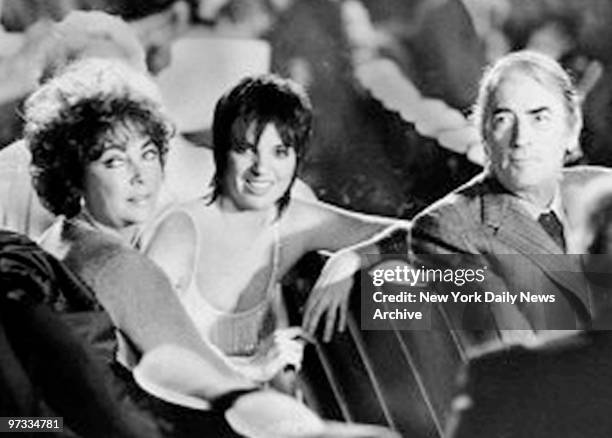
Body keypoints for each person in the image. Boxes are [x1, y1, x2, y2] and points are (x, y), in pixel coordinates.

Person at [144, 74, 405, 384]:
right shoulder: (180, 231)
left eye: (279, 152)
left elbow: (421, 236)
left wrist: (353, 259)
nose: (261, 169)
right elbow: (151, 355)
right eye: (246, 149)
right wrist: (252, 368)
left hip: (254, 410)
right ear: (221, 151)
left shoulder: (295, 220)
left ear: (297, 158)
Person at [410, 51, 612, 345]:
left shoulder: (602, 189)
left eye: (539, 118)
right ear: (484, 136)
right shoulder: (448, 229)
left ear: (571, 130)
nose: (521, 139)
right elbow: (512, 360)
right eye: (503, 120)